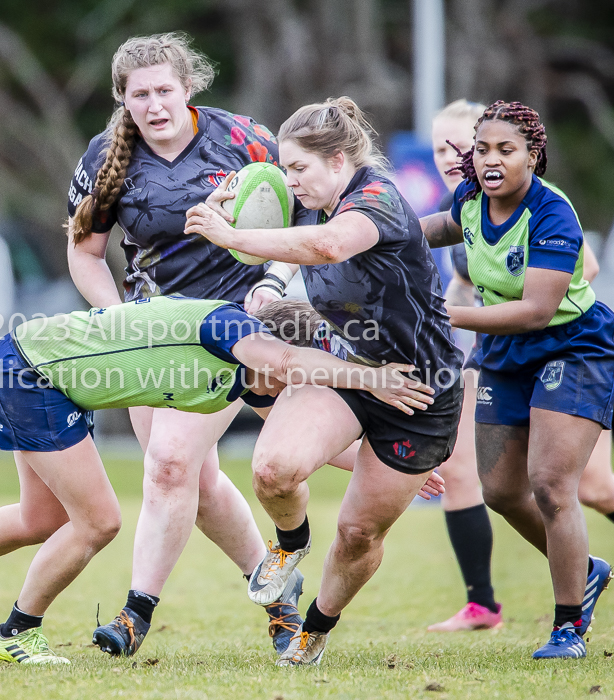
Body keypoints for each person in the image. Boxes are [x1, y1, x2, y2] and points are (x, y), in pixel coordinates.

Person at [0, 296, 440, 664]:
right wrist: (371, 380)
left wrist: (390, 462)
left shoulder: (248, 378)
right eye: (294, 385)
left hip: (31, 366)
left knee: (40, 519)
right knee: (98, 522)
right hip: (32, 376)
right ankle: (15, 633)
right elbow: (291, 359)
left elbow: (304, 448)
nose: (294, 400)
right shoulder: (230, 330)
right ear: (275, 358)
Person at [185, 96, 464, 667]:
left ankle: (316, 626)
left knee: (360, 533)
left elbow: (328, 245)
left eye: (298, 169)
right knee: (272, 470)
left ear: (338, 159)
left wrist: (228, 237)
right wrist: (263, 275)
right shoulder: (314, 196)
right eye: (286, 169)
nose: (291, 181)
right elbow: (290, 234)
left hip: (418, 386)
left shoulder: (377, 199)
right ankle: (290, 545)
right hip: (346, 367)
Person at [65, 32, 312, 657]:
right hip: (150, 330)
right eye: (139, 94)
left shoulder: (244, 139)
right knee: (192, 481)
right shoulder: (104, 156)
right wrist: (117, 318)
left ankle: (134, 614)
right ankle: (282, 602)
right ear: (123, 98)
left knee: (171, 464)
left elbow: (307, 216)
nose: (153, 104)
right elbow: (84, 251)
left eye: (164, 90)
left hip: (232, 325)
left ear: (189, 87)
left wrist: (274, 282)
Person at [427, 100, 614, 633]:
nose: (490, 160)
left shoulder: (553, 212)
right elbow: (438, 227)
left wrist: (440, 315)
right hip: (505, 353)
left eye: (505, 150)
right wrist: (372, 233)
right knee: (501, 492)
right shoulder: (470, 196)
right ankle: (587, 572)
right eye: (480, 149)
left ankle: (567, 625)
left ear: (533, 155)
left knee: (555, 486)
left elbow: (536, 311)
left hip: (571, 347)